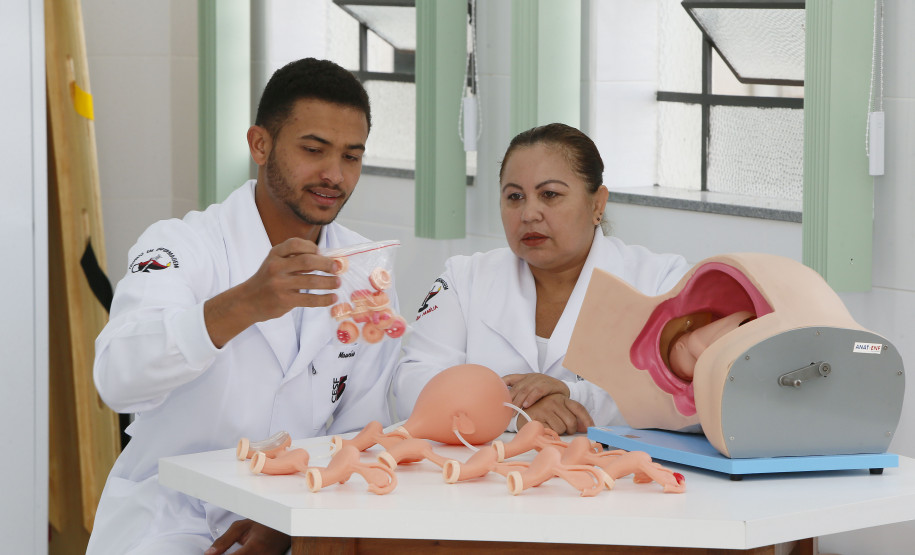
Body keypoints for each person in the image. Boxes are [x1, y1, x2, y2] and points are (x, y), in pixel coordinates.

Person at [87, 58, 401, 555]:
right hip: (169, 515)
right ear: (260, 144)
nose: (334, 174)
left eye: (351, 156)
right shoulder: (182, 246)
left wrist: (290, 520)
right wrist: (243, 304)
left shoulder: (364, 272)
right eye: (313, 150)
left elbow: (361, 431)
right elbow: (117, 377)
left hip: (296, 516)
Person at [394, 123, 689, 435]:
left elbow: (694, 399)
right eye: (515, 196)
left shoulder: (662, 282)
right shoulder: (464, 279)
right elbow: (412, 386)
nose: (529, 213)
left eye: (550, 194)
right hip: (483, 465)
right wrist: (509, 412)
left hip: (611, 465)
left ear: (597, 204)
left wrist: (576, 397)